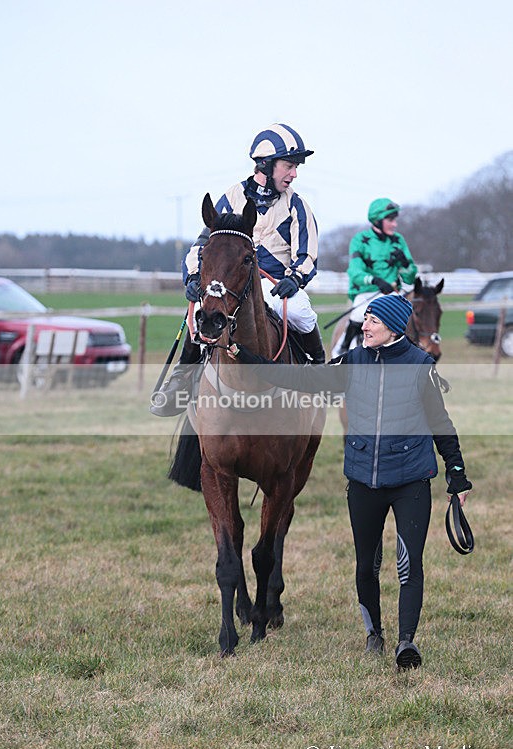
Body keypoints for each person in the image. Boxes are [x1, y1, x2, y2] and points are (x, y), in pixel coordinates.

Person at [228, 293, 472, 670]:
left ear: (392, 327)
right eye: (366, 320)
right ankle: (374, 634)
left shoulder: (420, 365)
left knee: (409, 565)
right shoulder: (352, 362)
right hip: (362, 482)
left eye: (373, 320)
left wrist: (457, 475)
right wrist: (246, 358)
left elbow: (440, 424)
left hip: (411, 481)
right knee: (365, 566)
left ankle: (406, 642)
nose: (365, 326)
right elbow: (299, 379)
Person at [152, 123, 324, 417]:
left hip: (274, 288)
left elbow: (308, 254)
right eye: (289, 166)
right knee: (198, 315)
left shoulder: (297, 205)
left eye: (296, 167)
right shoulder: (232, 196)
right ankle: (181, 381)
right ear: (266, 165)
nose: (294, 174)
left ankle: (319, 371)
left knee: (301, 312)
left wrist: (294, 279)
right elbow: (202, 245)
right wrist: (193, 278)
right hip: (231, 285)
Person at [332, 198, 418, 357]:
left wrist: (405, 264)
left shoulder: (398, 240)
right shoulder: (359, 240)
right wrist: (375, 281)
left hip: (392, 295)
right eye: (390, 220)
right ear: (378, 220)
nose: (394, 224)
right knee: (359, 314)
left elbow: (410, 278)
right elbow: (355, 272)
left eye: (395, 220)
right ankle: (342, 350)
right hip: (365, 294)